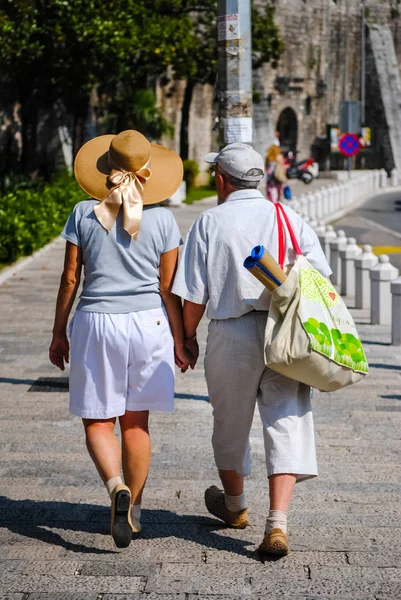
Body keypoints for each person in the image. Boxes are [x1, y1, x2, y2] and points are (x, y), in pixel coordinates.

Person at [172, 142, 331, 556]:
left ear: (222, 179)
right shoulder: (286, 215)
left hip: (232, 334)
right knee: (288, 419)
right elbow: (321, 278)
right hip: (286, 334)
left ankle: (236, 506)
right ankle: (277, 524)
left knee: (230, 422)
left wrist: (186, 338)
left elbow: (193, 296)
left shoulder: (210, 222)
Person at [49, 130, 192, 549]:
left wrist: (59, 332)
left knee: (97, 420)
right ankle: (137, 510)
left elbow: (71, 277)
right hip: (149, 325)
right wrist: (182, 339)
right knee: (136, 422)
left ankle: (115, 488)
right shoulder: (165, 220)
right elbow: (169, 288)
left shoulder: (82, 213)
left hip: (96, 322)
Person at [265, 132, 286, 203]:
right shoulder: (279, 157)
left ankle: (272, 203)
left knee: (271, 192)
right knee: (278, 192)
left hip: (270, 179)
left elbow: (266, 168)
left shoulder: (268, 157)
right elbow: (283, 168)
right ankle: (276, 203)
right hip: (278, 178)